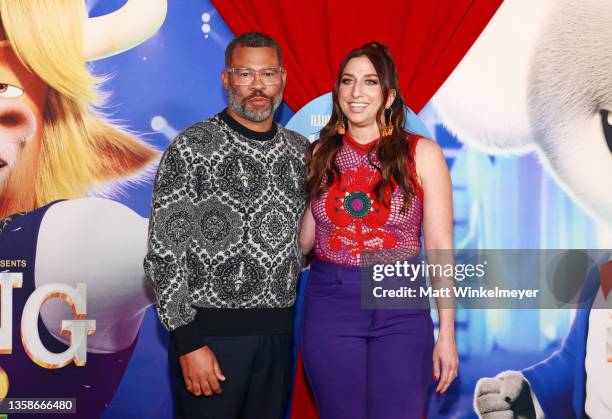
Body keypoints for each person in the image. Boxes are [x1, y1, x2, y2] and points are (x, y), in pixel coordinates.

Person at [144, 32, 309, 419]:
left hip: (278, 339)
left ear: (282, 79)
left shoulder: (301, 151)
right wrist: (187, 342)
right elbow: (164, 255)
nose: (257, 86)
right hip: (209, 341)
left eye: (267, 74)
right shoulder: (192, 147)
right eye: (245, 74)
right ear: (226, 79)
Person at [299, 41, 459, 419]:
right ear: (337, 92)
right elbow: (306, 240)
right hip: (330, 301)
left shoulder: (422, 154)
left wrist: (447, 333)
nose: (356, 92)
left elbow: (439, 247)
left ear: (388, 96)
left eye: (369, 82)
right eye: (347, 81)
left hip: (399, 302)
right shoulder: (320, 152)